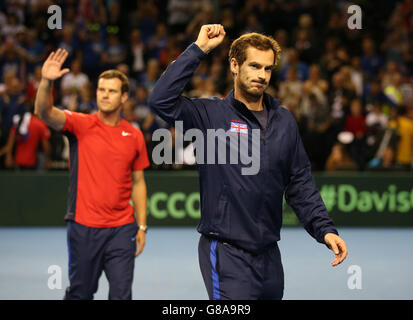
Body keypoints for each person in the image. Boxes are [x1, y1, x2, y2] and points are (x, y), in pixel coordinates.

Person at [148, 24, 348, 300]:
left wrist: (325, 230)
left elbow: (300, 184)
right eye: (254, 66)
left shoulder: (285, 121)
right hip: (226, 252)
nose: (262, 75)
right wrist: (199, 49)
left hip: (269, 255)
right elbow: (159, 101)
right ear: (234, 65)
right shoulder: (210, 116)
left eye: (267, 69)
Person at [34, 49, 150, 300]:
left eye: (112, 90)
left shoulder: (135, 135)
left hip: (122, 229)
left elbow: (138, 183)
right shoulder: (79, 124)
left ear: (124, 97)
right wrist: (46, 82)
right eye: (101, 89)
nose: (105, 94)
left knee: (121, 295)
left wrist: (141, 225)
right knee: (81, 293)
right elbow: (44, 112)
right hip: (84, 227)